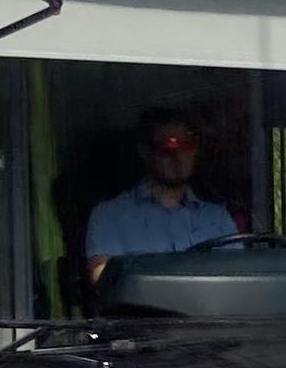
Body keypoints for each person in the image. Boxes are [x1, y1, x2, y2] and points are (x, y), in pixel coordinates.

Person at [85, 109, 238, 283]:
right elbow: (105, 282)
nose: (178, 156)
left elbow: (240, 280)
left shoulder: (217, 217)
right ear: (145, 151)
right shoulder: (109, 216)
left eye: (187, 145)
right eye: (168, 147)